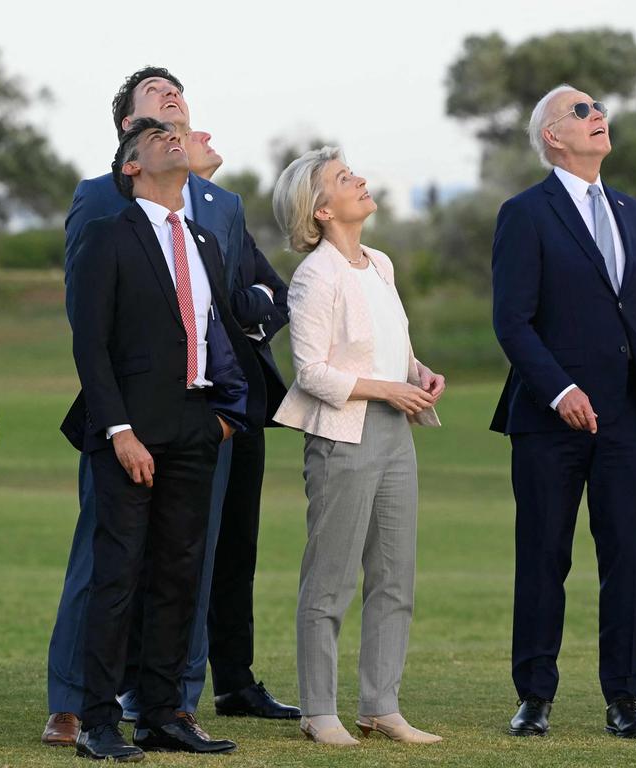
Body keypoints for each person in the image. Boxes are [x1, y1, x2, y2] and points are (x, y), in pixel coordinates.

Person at [43, 67, 296, 748]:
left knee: (187, 565)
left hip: (198, 420)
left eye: (176, 95)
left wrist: (227, 411)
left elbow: (236, 313)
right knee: (111, 566)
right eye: (153, 103)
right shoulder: (102, 207)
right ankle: (81, 710)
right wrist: (118, 421)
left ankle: (168, 708)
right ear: (130, 140)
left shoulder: (214, 216)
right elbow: (89, 327)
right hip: (127, 418)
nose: (171, 102)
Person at [491, 84, 636, 739]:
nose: (597, 116)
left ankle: (625, 700)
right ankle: (534, 697)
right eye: (581, 111)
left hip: (628, 420)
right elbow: (512, 323)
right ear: (552, 135)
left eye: (599, 108)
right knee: (544, 557)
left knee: (627, 559)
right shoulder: (526, 212)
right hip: (549, 422)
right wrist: (560, 389)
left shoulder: (630, 210)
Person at [272, 146, 445, 746]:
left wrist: (417, 373)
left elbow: (383, 343)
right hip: (343, 437)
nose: (361, 181)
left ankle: (380, 706)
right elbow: (312, 373)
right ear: (321, 209)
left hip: (397, 435)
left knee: (396, 575)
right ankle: (319, 710)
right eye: (345, 179)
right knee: (331, 579)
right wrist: (390, 390)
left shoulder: (381, 264)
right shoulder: (313, 277)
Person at [181, 129, 296, 719]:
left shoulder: (224, 209)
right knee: (177, 546)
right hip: (182, 401)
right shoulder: (146, 206)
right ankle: (155, 686)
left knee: (236, 543)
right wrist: (233, 302)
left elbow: (272, 294)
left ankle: (234, 682)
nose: (202, 134)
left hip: (245, 397)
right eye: (185, 131)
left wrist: (239, 305)